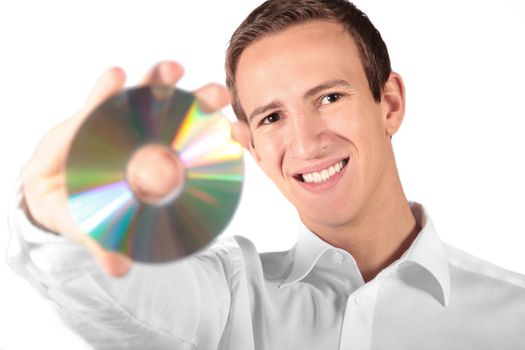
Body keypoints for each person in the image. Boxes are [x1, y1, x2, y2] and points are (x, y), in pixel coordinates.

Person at [8, 0, 525, 349]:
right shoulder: (230, 296)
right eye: (272, 117)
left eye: (329, 97)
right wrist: (61, 217)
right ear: (250, 144)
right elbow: (122, 299)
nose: (304, 143)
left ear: (388, 103)